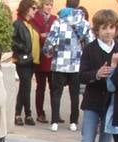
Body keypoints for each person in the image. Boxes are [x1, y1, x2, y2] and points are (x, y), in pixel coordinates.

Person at [65, 7, 118, 142]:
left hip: (111, 104)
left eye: (111, 28)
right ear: (97, 30)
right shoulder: (90, 49)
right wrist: (96, 74)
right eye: (104, 28)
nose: (108, 31)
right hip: (93, 102)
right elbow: (82, 75)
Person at [44, 0, 89, 132]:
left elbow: (49, 42)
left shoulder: (58, 22)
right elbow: (90, 42)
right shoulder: (84, 23)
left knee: (56, 93)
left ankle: (54, 122)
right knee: (74, 94)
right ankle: (73, 122)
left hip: (59, 63)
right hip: (76, 64)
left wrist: (48, 52)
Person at [12, 0, 41, 125]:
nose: (36, 11)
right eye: (33, 8)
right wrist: (23, 48)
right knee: (26, 87)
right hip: (23, 60)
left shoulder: (30, 24)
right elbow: (12, 41)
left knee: (25, 87)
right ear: (26, 8)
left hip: (32, 61)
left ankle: (20, 114)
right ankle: (25, 114)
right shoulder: (17, 24)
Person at [30, 0, 55, 125]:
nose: (49, 7)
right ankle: (40, 113)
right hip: (40, 57)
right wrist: (42, 36)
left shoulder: (55, 19)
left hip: (52, 59)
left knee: (54, 88)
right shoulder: (35, 18)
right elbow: (33, 34)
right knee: (41, 87)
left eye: (51, 5)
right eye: (47, 4)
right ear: (42, 6)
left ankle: (56, 114)